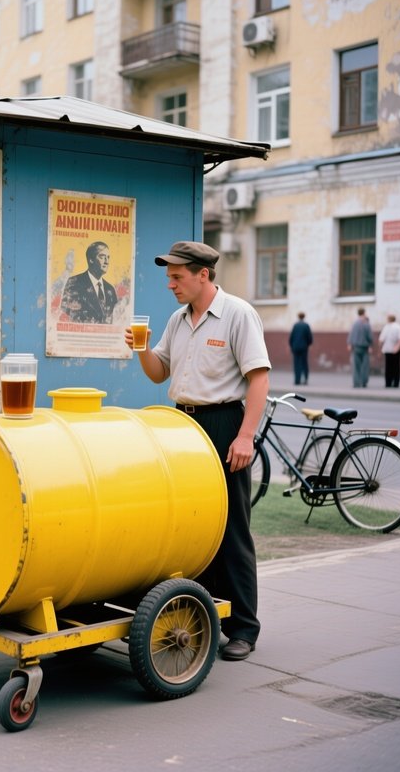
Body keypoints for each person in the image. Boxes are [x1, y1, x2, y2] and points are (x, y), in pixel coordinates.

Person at [125, 241, 270, 662]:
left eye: (177, 277)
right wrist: (140, 348)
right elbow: (159, 373)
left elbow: (258, 380)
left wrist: (245, 437)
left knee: (232, 527)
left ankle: (244, 627)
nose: (170, 285)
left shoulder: (238, 315)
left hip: (223, 424)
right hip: (181, 425)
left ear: (202, 275)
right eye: (169, 277)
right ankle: (207, 617)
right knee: (192, 527)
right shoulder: (177, 319)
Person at [60, 241, 118, 323]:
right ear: (91, 259)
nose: (106, 261)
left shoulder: (110, 289)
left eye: (108, 257)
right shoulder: (75, 283)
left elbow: (115, 319)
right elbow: (67, 314)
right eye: (102, 257)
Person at [347, 308, 373, 388]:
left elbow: (350, 334)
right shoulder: (366, 323)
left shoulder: (354, 323)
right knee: (364, 366)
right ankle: (363, 382)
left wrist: (349, 344)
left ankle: (356, 383)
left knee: (356, 366)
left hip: (355, 347)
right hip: (364, 347)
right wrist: (370, 345)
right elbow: (369, 336)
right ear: (364, 313)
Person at [379, 314, 400, 388]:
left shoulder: (386, 327)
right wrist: (397, 347)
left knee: (388, 367)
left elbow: (381, 339)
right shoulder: (398, 327)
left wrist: (380, 346)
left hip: (387, 350)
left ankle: (388, 383)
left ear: (388, 319)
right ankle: (396, 383)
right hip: (395, 350)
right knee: (396, 367)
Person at [288, 312, 313, 386]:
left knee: (296, 364)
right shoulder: (306, 325)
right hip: (304, 347)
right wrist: (308, 344)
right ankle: (305, 379)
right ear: (304, 317)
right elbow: (310, 337)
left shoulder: (295, 325)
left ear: (298, 317)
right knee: (304, 363)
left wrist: (291, 346)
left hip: (295, 347)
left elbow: (291, 337)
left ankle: (297, 380)